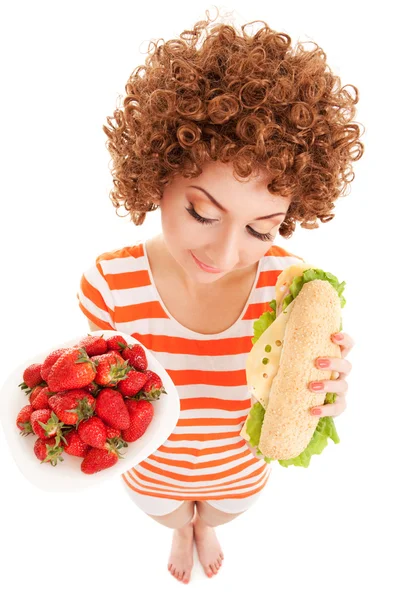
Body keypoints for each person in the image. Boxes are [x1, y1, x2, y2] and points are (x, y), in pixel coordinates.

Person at [77, 7, 363, 585]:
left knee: (222, 515)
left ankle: (206, 526)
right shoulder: (107, 284)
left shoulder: (292, 289)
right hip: (150, 473)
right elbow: (105, 390)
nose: (227, 253)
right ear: (156, 172)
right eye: (202, 212)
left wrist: (321, 398)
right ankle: (182, 528)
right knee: (169, 516)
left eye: (263, 229)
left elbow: (295, 390)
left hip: (241, 474)